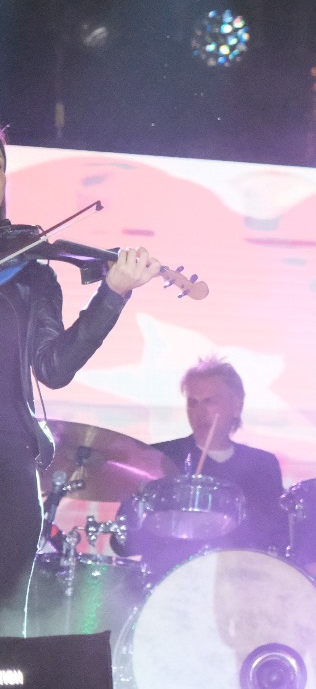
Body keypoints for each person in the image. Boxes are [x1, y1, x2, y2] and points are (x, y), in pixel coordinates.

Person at [0, 128, 165, 628]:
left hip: (5, 463)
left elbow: (54, 368)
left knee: (7, 624)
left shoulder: (28, 268)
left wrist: (112, 293)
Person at [118, 356, 288, 575]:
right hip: (166, 583)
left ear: (236, 406)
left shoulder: (262, 466)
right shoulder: (158, 458)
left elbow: (277, 538)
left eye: (210, 401)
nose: (200, 411)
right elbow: (124, 541)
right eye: (193, 402)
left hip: (239, 585)